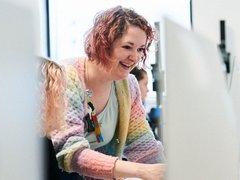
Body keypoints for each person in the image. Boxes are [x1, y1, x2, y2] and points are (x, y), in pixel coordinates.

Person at [40, 6, 165, 180]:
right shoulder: (67, 78)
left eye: (140, 49)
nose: (135, 57)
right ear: (103, 44)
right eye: (128, 47)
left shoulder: (128, 85)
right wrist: (142, 171)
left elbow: (143, 147)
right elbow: (71, 153)